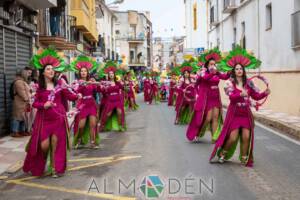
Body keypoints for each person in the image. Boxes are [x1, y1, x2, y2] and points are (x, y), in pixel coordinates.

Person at [23, 48, 81, 177]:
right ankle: (42, 164)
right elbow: (35, 103)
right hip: (44, 120)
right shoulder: (39, 87)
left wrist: (77, 96)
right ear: (43, 73)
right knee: (44, 146)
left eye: (52, 69)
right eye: (48, 69)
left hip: (58, 119)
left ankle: (55, 168)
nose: (51, 71)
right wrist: (44, 105)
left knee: (56, 144)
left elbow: (69, 95)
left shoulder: (60, 83)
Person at [210, 45, 270, 167]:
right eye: (236, 69)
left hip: (245, 114)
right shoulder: (229, 83)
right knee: (232, 138)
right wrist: (240, 94)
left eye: (241, 69)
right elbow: (231, 97)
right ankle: (223, 154)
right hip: (234, 114)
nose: (239, 70)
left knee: (246, 137)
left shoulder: (249, 83)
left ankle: (244, 158)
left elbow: (256, 96)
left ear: (243, 70)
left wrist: (265, 93)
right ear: (234, 71)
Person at [186, 48, 230, 143]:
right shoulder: (203, 72)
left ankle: (214, 138)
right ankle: (198, 132)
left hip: (216, 97)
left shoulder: (217, 72)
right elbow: (205, 78)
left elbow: (225, 77)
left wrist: (232, 68)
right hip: (207, 98)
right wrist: (212, 73)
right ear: (207, 65)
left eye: (214, 64)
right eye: (211, 64)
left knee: (215, 117)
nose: (213, 66)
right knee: (208, 118)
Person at [70, 55, 102, 149]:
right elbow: (76, 91)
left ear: (88, 72)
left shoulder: (91, 81)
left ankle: (92, 142)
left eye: (85, 71)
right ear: (79, 73)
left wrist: (96, 82)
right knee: (81, 126)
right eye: (82, 71)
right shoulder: (77, 82)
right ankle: (79, 140)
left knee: (93, 124)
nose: (83, 72)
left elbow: (99, 89)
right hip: (82, 104)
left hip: (91, 104)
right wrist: (82, 84)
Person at [99, 61, 126, 132]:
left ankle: (120, 126)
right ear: (108, 75)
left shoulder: (117, 83)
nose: (111, 74)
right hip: (110, 100)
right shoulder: (106, 83)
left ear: (114, 75)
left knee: (120, 112)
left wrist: (124, 85)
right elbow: (102, 91)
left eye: (112, 73)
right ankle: (102, 126)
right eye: (110, 74)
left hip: (117, 100)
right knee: (107, 115)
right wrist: (101, 87)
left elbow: (123, 88)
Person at [11, 69, 31, 137]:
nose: (28, 75)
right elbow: (22, 93)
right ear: (24, 74)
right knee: (17, 117)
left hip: (23, 103)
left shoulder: (22, 81)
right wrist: (27, 99)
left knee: (23, 117)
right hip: (19, 102)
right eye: (27, 73)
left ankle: (21, 131)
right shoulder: (18, 82)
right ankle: (15, 131)